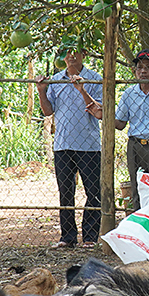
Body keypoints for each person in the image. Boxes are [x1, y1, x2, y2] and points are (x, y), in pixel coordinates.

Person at [36, 44, 103, 249]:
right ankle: (68, 237)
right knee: (65, 191)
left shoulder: (95, 79)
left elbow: (99, 112)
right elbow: (48, 112)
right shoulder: (56, 81)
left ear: (84, 54)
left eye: (76, 51)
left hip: (89, 145)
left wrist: (82, 90)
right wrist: (41, 91)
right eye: (67, 52)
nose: (71, 56)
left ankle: (90, 237)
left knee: (93, 191)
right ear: (62, 57)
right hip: (63, 144)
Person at [113, 49, 149, 211]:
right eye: (139, 68)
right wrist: (104, 114)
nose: (144, 71)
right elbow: (120, 124)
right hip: (135, 146)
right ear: (135, 71)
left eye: (148, 67)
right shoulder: (129, 94)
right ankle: (140, 224)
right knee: (136, 187)